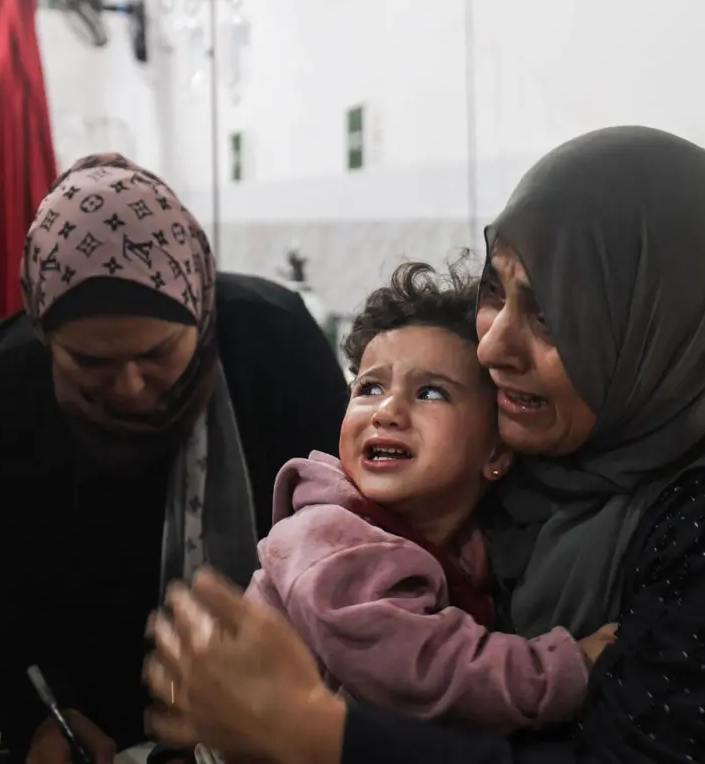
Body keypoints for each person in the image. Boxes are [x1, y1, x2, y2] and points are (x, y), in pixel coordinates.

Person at [142, 126, 705, 763]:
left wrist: (322, 735)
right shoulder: (525, 442)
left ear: (654, 330)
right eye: (494, 292)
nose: (492, 345)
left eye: (551, 316)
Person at [0, 154, 349, 764]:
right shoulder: (7, 387)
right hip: (89, 725)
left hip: (279, 714)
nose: (130, 386)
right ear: (46, 338)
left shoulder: (272, 343)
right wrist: (36, 719)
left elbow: (347, 529)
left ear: (200, 311)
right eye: (91, 364)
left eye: (157, 354)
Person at [244, 261, 618, 738]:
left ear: (496, 452)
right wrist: (567, 667)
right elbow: (420, 673)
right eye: (370, 387)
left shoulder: (477, 543)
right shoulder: (329, 539)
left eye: (430, 393)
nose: (387, 411)